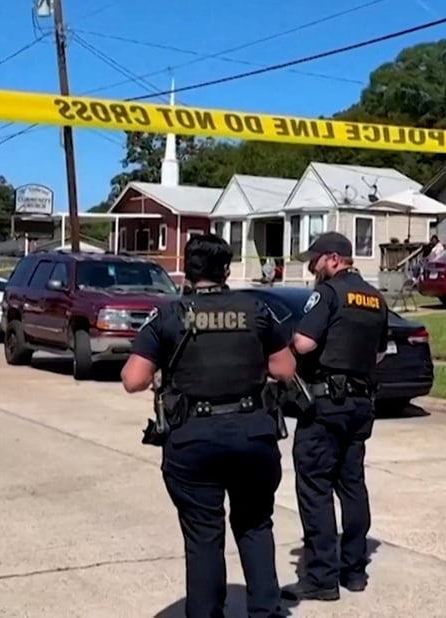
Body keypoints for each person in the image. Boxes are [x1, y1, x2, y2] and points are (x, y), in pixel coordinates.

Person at [121, 233, 297, 618]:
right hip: (252, 433)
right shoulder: (256, 310)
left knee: (203, 535)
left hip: (192, 441)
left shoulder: (167, 315)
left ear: (187, 270)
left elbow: (133, 379)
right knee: (255, 525)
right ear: (226, 270)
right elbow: (284, 369)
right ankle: (265, 611)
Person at [281, 232, 389, 603]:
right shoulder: (375, 298)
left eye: (314, 261)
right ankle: (354, 570)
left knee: (315, 488)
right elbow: (377, 354)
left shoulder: (327, 294)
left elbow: (304, 344)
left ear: (332, 259)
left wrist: (292, 339)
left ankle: (321, 577)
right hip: (361, 406)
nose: (311, 268)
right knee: (352, 486)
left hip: (326, 406)